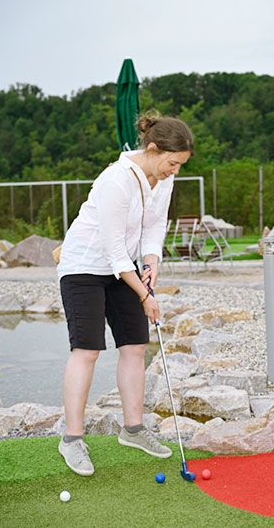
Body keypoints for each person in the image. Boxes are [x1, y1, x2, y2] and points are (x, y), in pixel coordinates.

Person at [57, 111, 193, 476]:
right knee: (86, 350)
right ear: (152, 149)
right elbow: (114, 251)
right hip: (84, 266)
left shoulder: (162, 180)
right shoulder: (116, 181)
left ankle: (133, 430)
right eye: (172, 162)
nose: (175, 171)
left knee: (134, 345)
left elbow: (153, 229)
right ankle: (71, 439)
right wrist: (146, 295)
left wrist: (152, 263)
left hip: (124, 268)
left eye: (180, 165)